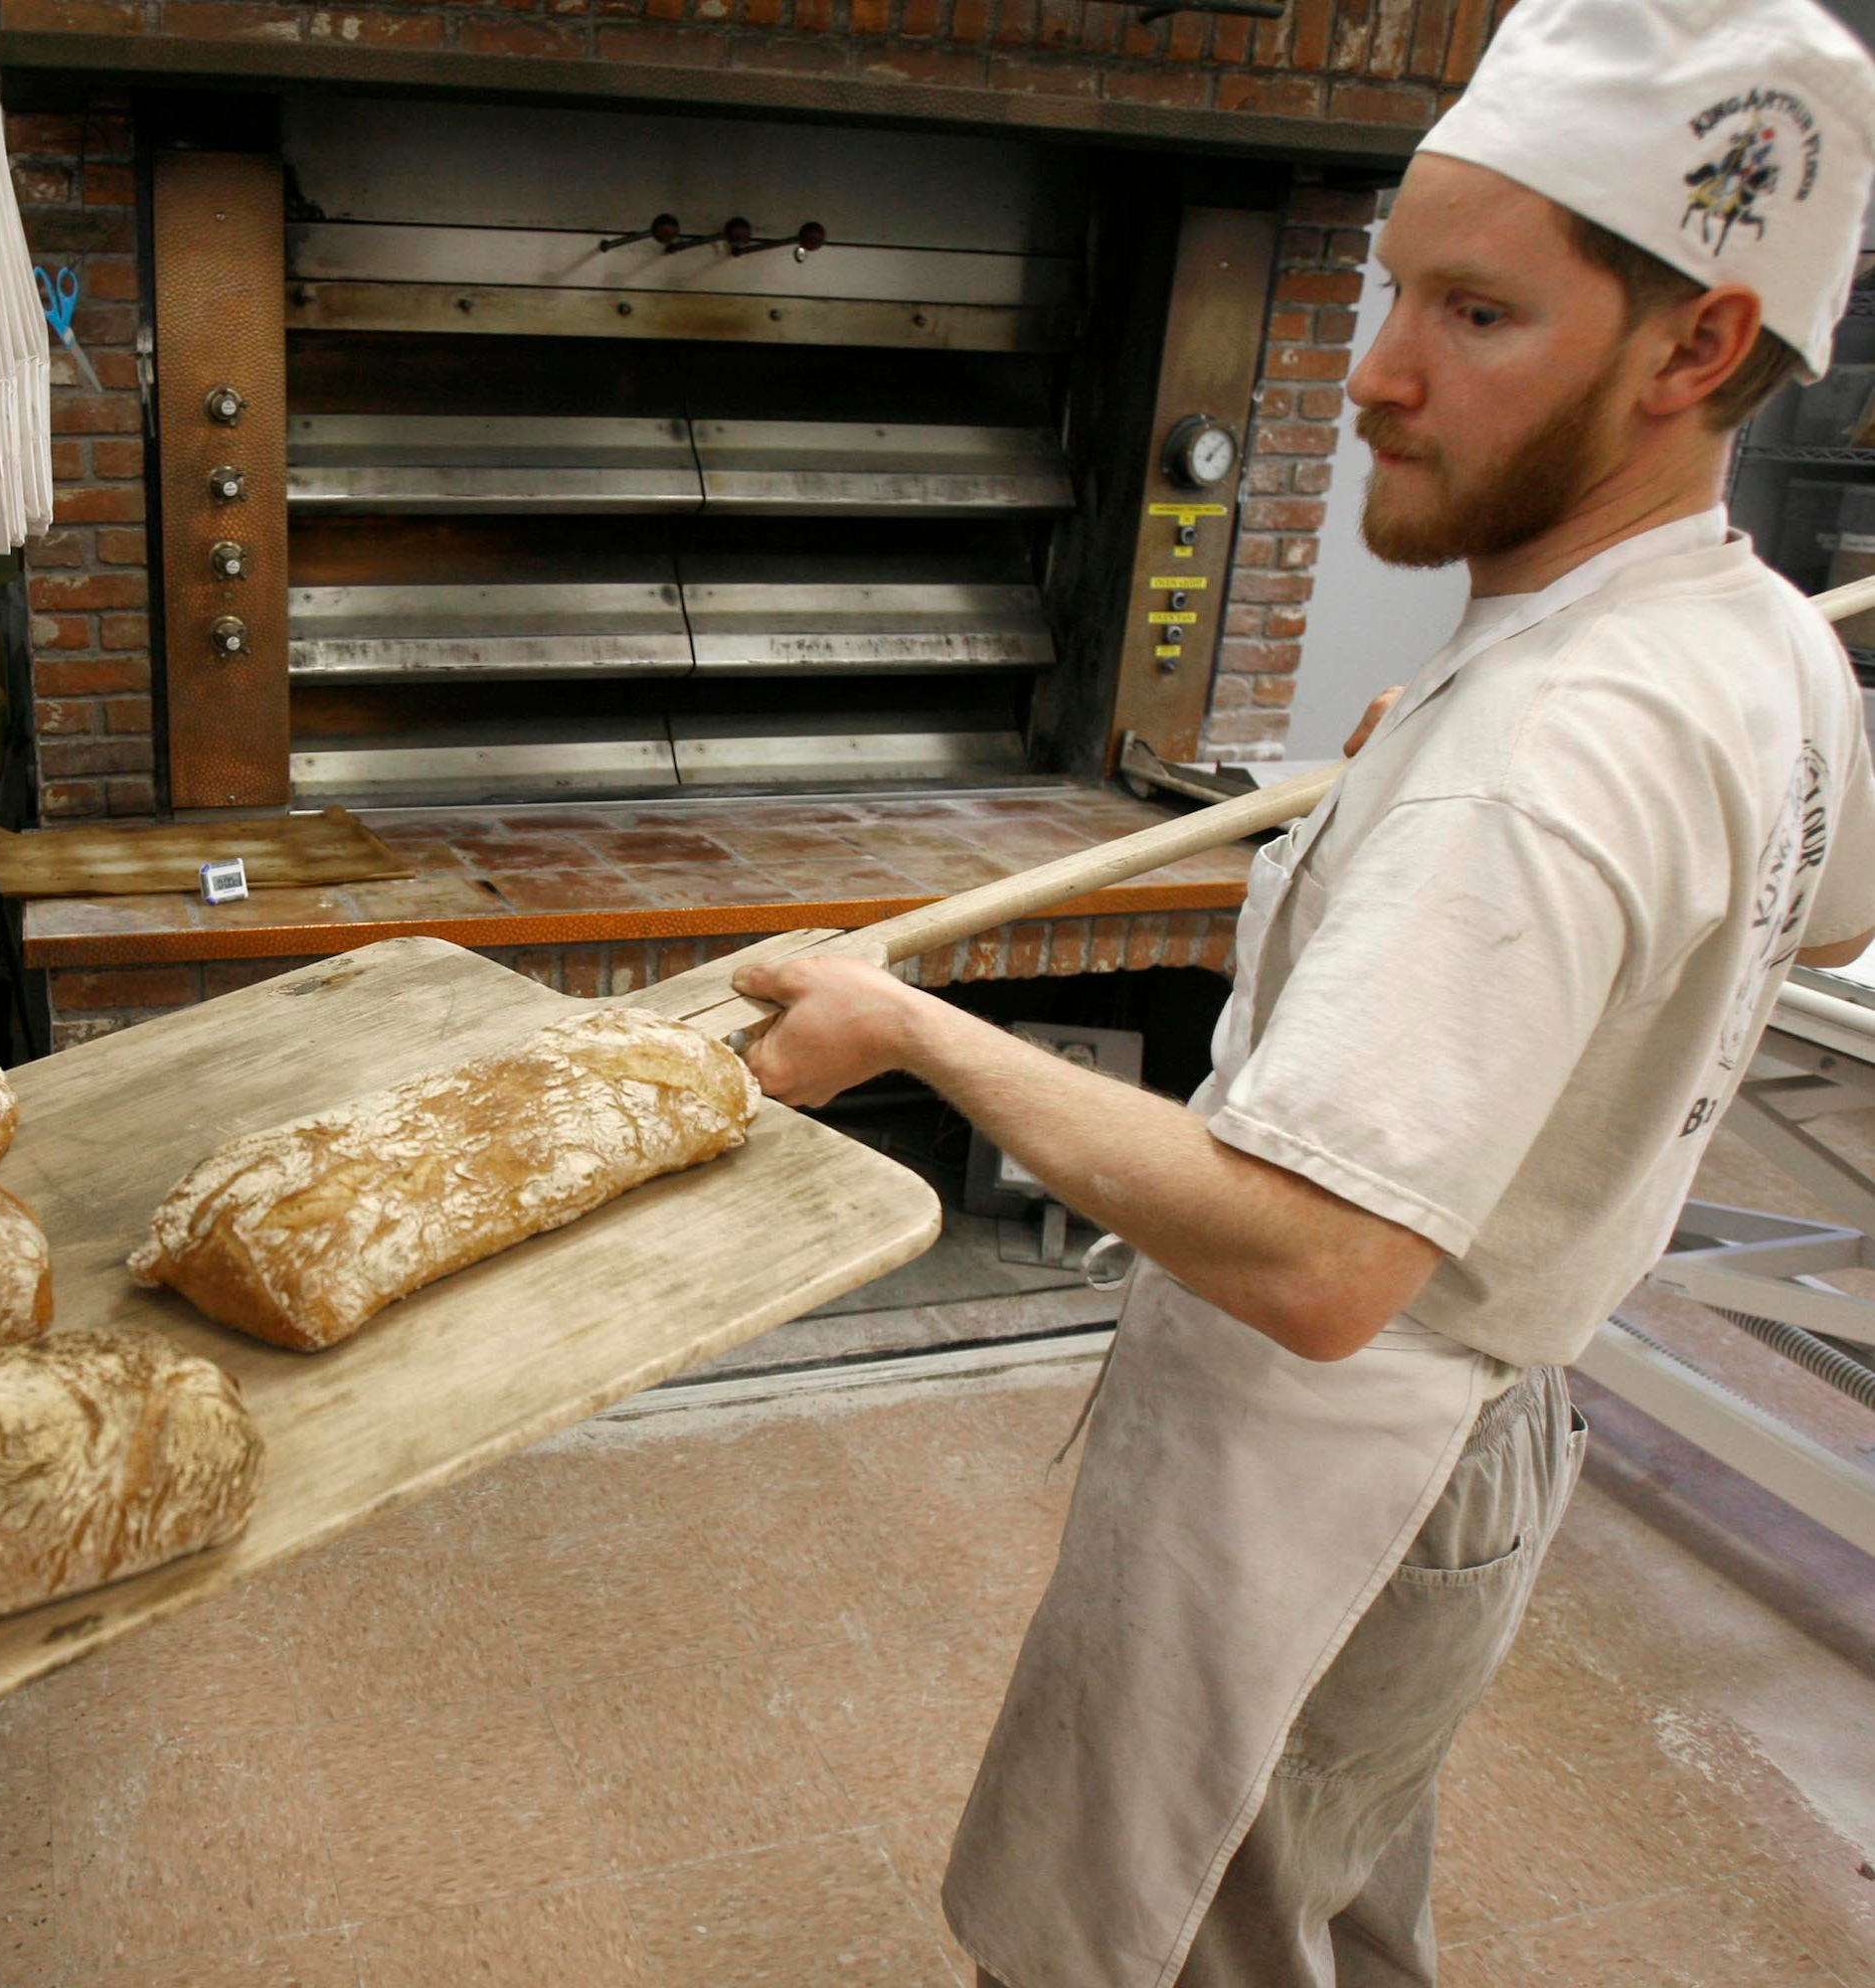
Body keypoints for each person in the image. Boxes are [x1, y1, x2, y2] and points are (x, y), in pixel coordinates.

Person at [731, 3, 1875, 1982]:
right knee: (1325, 1900)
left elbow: (1319, 1261)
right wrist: (1444, 771)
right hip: (1489, 1448)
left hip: (1328, 1462)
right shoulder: (1754, 640)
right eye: (1389, 291)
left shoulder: (1555, 743)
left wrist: (910, 1026)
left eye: (1477, 317)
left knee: (1197, 1938)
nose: (1375, 375)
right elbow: (1830, 912)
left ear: (1693, 349)